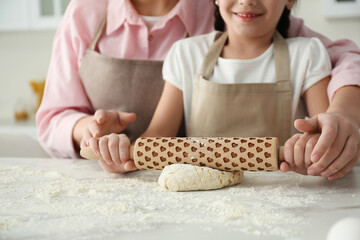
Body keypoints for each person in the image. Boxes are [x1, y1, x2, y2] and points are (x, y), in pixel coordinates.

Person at [37, 0, 360, 177]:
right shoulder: (87, 11)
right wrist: (99, 138)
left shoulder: (302, 49)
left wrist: (335, 125)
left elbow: (342, 57)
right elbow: (54, 117)